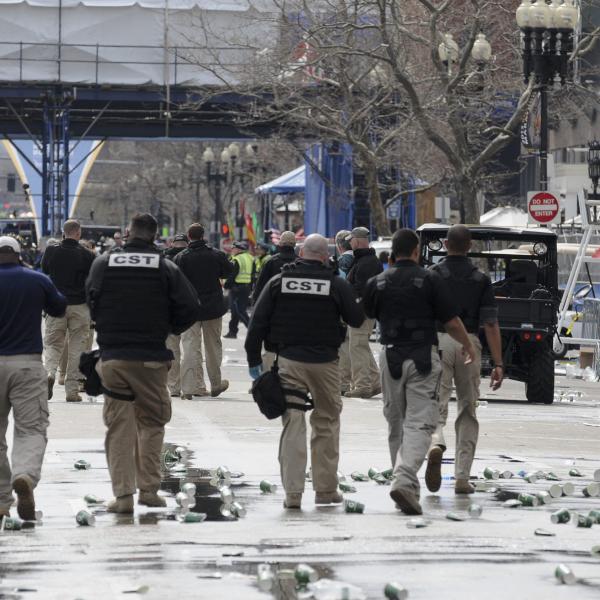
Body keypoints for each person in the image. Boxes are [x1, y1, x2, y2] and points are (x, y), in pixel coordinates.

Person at [86, 213, 200, 514]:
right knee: (152, 423)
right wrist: (168, 329)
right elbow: (190, 307)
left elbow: (91, 298)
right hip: (151, 356)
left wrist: (107, 326)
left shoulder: (104, 263)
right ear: (154, 236)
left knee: (118, 427)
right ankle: (149, 490)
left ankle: (122, 496)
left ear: (128, 232)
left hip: (114, 357)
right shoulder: (166, 267)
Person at [245, 234, 364, 510]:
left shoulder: (279, 283)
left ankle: (293, 494)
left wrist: (255, 363)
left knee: (294, 423)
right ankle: (325, 490)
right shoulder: (335, 284)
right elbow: (356, 319)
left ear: (300, 252)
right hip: (325, 364)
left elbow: (257, 322)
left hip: (289, 362)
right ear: (325, 256)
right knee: (326, 422)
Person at [363, 229, 476, 515]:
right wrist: (467, 345)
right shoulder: (429, 279)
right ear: (416, 251)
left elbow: (363, 316)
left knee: (395, 421)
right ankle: (403, 479)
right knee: (421, 423)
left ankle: (406, 486)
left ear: (392, 253)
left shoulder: (377, 282)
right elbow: (450, 321)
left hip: (389, 357)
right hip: (422, 357)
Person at [425, 225, 504, 495]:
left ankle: (436, 441)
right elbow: (491, 323)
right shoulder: (480, 279)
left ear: (446, 244)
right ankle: (462, 477)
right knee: (468, 410)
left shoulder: (432, 275)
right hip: (469, 343)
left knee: (437, 401)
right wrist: (498, 363)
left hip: (438, 341)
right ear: (470, 246)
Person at [0, 236, 67, 521]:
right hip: (27, 364)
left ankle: (2, 500)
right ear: (18, 255)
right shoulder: (36, 279)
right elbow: (59, 307)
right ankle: (24, 475)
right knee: (30, 429)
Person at [174, 223, 233, 399]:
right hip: (212, 308)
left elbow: (176, 283)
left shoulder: (181, 258)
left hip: (190, 309)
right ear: (203, 236)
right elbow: (228, 272)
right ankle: (215, 384)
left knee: (190, 347)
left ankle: (189, 387)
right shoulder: (216, 255)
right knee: (213, 347)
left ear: (189, 236)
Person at [42, 219, 95, 402]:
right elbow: (93, 281)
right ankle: (72, 391)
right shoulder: (87, 255)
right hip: (79, 306)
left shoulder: (51, 251)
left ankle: (49, 373)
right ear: (78, 233)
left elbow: (45, 271)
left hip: (56, 304)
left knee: (53, 344)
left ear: (63, 233)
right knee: (77, 348)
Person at [344, 227, 382, 398]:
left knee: (357, 347)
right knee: (362, 347)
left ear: (357, 241)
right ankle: (375, 382)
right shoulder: (366, 260)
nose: (349, 243)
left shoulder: (366, 262)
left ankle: (363, 385)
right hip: (365, 311)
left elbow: (361, 290)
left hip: (361, 312)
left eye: (350, 240)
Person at [163, 234, 189, 397]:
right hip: (186, 306)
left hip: (168, 308)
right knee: (190, 348)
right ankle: (191, 384)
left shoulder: (164, 258)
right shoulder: (189, 257)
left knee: (172, 348)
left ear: (172, 243)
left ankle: (173, 386)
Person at [252, 231, 297, 304]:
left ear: (280, 244)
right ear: (295, 244)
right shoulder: (300, 262)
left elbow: (261, 285)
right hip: (294, 305)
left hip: (274, 304)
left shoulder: (271, 261)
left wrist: (255, 302)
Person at [334, 229, 354, 393]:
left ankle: (344, 382)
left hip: (343, 307)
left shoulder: (342, 261)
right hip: (358, 307)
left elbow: (339, 285)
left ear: (339, 245)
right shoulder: (359, 258)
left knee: (344, 345)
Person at [224, 241, 253, 339]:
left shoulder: (236, 259)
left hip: (236, 288)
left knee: (239, 311)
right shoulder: (250, 257)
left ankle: (253, 330)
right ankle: (232, 332)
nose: (232, 250)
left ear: (238, 249)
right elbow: (253, 274)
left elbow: (232, 274)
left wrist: (227, 285)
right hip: (246, 287)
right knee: (235, 311)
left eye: (233, 249)